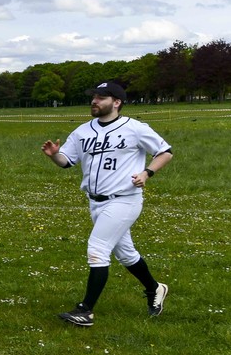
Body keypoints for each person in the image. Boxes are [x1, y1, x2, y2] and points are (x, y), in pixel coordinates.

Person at [42, 81, 172, 326]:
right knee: (126, 254)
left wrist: (147, 173)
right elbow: (67, 161)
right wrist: (54, 156)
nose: (94, 101)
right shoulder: (82, 131)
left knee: (98, 249)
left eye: (101, 97)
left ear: (116, 102)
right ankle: (155, 288)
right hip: (96, 203)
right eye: (93, 97)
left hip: (124, 200)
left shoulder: (135, 128)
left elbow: (165, 151)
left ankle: (86, 310)